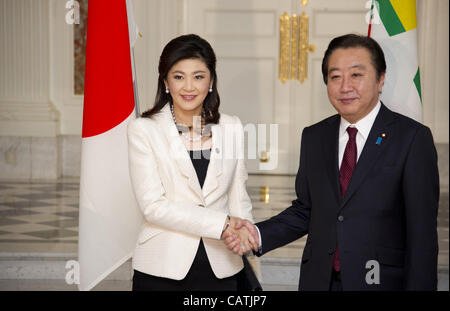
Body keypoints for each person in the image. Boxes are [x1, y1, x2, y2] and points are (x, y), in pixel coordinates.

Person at [224, 34, 439, 291]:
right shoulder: (315, 137)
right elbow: (306, 210)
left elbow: (422, 237)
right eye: (335, 77)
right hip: (320, 280)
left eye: (356, 75)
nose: (345, 86)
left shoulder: (411, 138)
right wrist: (256, 235)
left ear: (381, 79)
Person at [127, 34, 259, 291]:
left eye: (198, 76)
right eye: (178, 76)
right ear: (165, 81)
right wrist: (222, 224)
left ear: (211, 81)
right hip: (162, 268)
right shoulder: (143, 130)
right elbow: (153, 206)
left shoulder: (231, 126)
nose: (189, 87)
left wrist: (243, 232)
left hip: (222, 265)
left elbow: (238, 195)